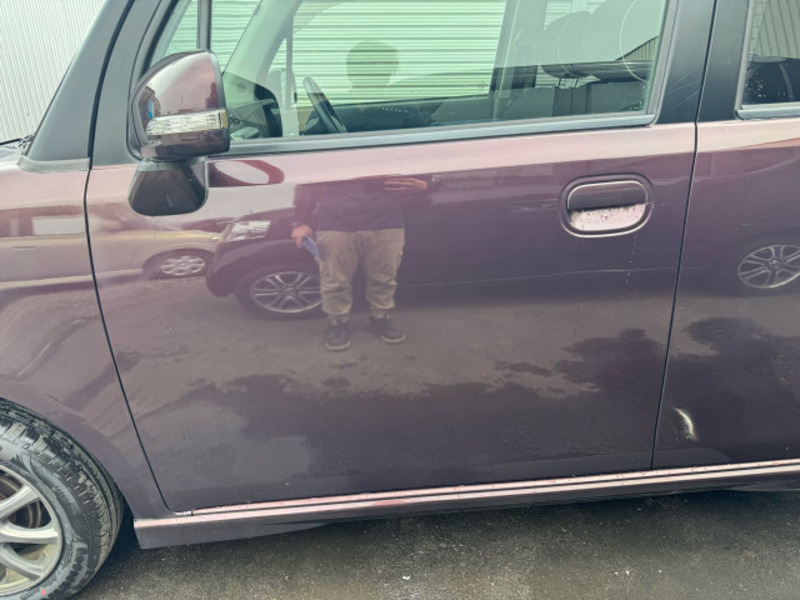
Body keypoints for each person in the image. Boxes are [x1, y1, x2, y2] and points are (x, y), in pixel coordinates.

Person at [291, 175, 429, 351]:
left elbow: (426, 174)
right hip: (335, 225)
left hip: (388, 224)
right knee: (334, 280)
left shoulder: (393, 157)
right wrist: (300, 221)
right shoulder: (328, 158)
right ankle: (338, 322)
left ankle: (381, 317)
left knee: (384, 278)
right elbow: (309, 184)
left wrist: (426, 185)